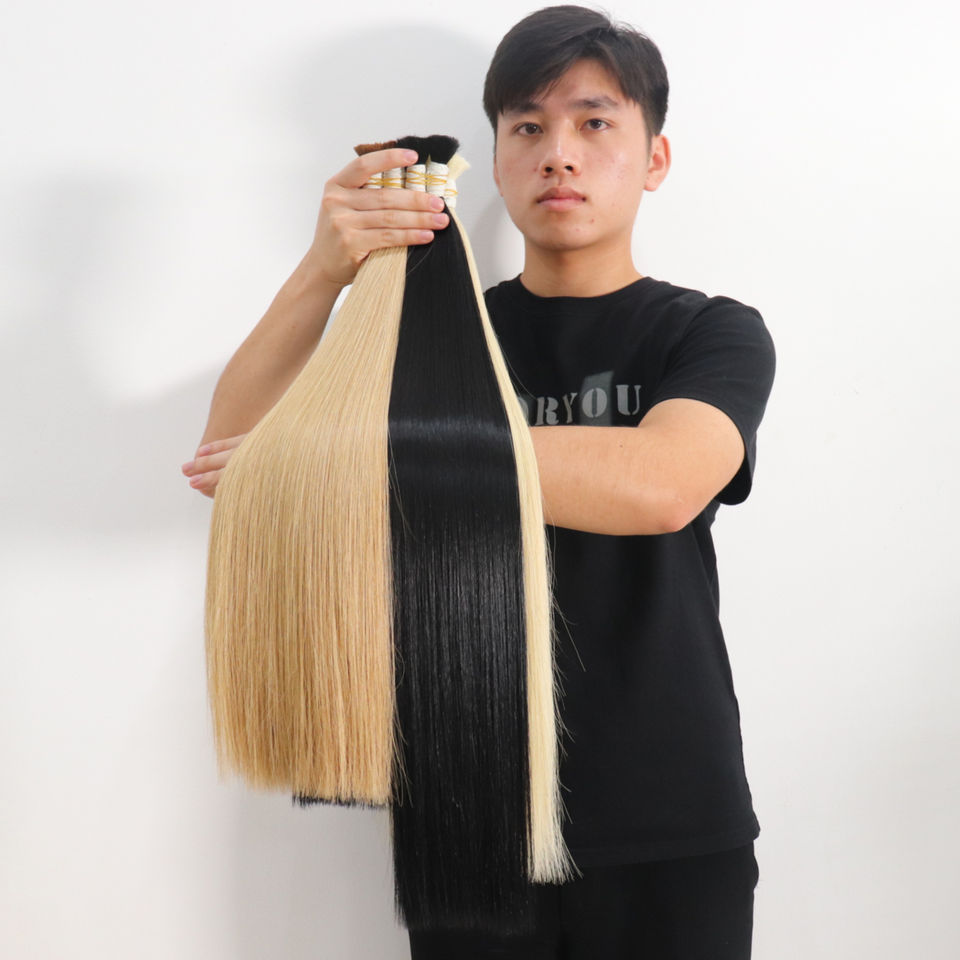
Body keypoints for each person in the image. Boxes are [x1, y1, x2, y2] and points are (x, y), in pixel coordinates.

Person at [182, 5, 775, 957]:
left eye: (595, 122)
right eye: (527, 127)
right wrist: (324, 271)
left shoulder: (709, 332)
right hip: (464, 808)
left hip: (670, 809)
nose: (559, 154)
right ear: (496, 162)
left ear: (654, 158)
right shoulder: (421, 341)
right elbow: (236, 460)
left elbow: (662, 484)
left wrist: (361, 450)